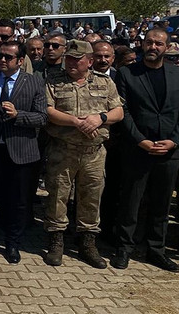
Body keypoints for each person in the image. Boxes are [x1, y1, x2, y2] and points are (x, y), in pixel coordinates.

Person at [43, 40, 123, 268]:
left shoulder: (104, 82)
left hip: (94, 153)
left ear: (89, 61)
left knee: (91, 198)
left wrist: (100, 118)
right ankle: (56, 241)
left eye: (77, 60)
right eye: (68, 58)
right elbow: (49, 111)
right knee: (57, 196)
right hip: (63, 150)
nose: (71, 63)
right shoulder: (53, 81)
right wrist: (76, 122)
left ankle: (87, 243)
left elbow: (118, 111)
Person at [110, 28, 179, 272]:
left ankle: (156, 250)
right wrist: (140, 140)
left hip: (170, 151)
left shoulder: (177, 75)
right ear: (142, 44)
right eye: (149, 42)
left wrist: (174, 140)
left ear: (167, 47)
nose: (153, 47)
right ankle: (124, 248)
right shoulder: (127, 74)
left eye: (159, 43)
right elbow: (124, 111)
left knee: (161, 204)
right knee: (131, 200)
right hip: (138, 149)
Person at [0, 41, 47, 265]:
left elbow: (42, 117)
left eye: (8, 57)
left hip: (21, 150)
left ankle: (12, 243)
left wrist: (18, 115)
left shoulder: (34, 82)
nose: (2, 60)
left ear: (21, 61)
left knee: (17, 201)